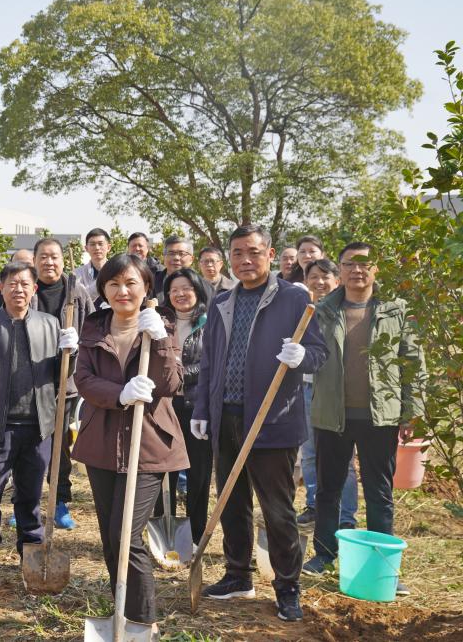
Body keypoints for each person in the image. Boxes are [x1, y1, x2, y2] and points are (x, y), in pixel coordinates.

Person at [190, 224, 327, 622]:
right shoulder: (222, 302)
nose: (245, 260)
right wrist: (202, 409)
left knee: (278, 510)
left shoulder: (294, 299)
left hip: (271, 420)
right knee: (232, 501)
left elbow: (319, 352)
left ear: (269, 254)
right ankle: (237, 575)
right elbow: (210, 362)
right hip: (226, 418)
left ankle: (287, 586)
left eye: (253, 252)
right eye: (238, 253)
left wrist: (302, 357)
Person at [72, 254, 188, 641]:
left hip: (149, 444)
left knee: (127, 534)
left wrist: (160, 342)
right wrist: (120, 393)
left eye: (131, 283)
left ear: (146, 287)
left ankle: (143, 620)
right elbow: (84, 380)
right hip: (102, 443)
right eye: (114, 284)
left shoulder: (161, 326)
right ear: (103, 290)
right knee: (110, 536)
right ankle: (120, 608)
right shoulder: (93, 328)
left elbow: (170, 384)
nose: (123, 291)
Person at [303, 243, 424, 597]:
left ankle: (383, 564)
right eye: (349, 264)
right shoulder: (322, 311)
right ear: (339, 271)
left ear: (376, 269)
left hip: (380, 416)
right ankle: (324, 555)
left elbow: (412, 363)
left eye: (365, 264)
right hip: (331, 415)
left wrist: (411, 410)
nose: (357, 270)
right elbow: (308, 356)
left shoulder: (395, 310)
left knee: (379, 492)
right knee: (328, 489)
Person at [0, 260, 78, 580]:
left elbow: (60, 376)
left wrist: (71, 353)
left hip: (39, 425)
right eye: (12, 283)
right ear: (1, 288)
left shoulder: (50, 325)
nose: (18, 289)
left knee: (30, 494)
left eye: (25, 284)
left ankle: (31, 548)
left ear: (34, 289)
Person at [33, 237, 95, 529]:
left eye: (54, 257)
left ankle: (59, 501)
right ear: (35, 261)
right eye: (43, 257)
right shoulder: (28, 290)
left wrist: (78, 347)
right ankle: (29, 501)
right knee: (32, 446)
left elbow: (93, 327)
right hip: (32, 382)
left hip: (65, 383)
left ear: (61, 260)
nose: (49, 262)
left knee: (60, 446)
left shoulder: (76, 291)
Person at [295, 259, 358, 529]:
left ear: (337, 280)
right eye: (313, 277)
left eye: (325, 277)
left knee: (344, 460)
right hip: (306, 388)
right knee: (309, 453)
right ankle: (314, 507)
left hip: (334, 391)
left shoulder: (344, 311)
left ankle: (346, 518)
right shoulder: (303, 311)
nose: (319, 282)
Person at [159, 269, 212, 543]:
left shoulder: (210, 323)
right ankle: (164, 531)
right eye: (174, 290)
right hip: (164, 406)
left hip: (197, 407)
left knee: (198, 472)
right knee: (162, 471)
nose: (180, 294)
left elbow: (211, 365)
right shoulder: (159, 323)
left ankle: (196, 534)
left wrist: (178, 371)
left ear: (197, 291)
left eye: (186, 288)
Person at [73, 227, 112, 298]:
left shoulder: (116, 271)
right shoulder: (77, 273)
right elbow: (80, 298)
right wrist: (101, 280)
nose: (97, 248)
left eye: (100, 244)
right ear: (86, 248)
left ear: (108, 247)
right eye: (92, 244)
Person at [156, 235, 195, 300]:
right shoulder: (150, 282)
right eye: (171, 253)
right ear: (164, 257)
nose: (176, 258)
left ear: (191, 259)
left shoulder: (202, 285)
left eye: (181, 254)